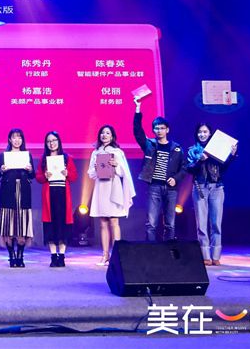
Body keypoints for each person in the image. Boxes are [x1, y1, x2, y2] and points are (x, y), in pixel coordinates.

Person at [133, 97, 186, 242]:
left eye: (162, 128)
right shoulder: (149, 144)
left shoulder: (176, 148)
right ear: (153, 130)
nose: (159, 131)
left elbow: (184, 167)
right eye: (156, 128)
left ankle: (168, 251)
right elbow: (137, 132)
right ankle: (151, 251)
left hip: (171, 189)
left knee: (170, 224)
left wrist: (176, 179)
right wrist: (138, 110)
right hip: (154, 187)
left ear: (167, 130)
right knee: (151, 223)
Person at [187, 123, 238, 266]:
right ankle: (205, 256)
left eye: (205, 132)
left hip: (217, 187)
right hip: (200, 188)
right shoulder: (193, 150)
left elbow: (223, 168)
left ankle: (216, 256)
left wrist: (231, 155)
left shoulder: (217, 148)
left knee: (216, 223)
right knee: (201, 224)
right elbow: (189, 169)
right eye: (200, 132)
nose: (202, 134)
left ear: (210, 133)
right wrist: (200, 160)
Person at [87, 125, 135, 266]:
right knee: (103, 222)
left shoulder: (117, 152)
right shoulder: (95, 152)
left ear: (112, 136)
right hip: (101, 187)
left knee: (114, 221)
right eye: (102, 133)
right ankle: (105, 255)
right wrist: (96, 168)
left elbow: (124, 172)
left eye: (107, 133)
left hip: (114, 187)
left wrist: (116, 165)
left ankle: (116, 256)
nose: (104, 135)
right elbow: (90, 173)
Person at [35, 131, 78, 267]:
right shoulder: (44, 159)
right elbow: (38, 177)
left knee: (63, 224)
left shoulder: (66, 158)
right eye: (48, 141)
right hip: (50, 195)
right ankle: (53, 256)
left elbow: (74, 176)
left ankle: (62, 256)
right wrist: (45, 175)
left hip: (63, 194)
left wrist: (67, 173)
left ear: (59, 141)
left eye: (54, 140)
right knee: (51, 225)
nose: (51, 143)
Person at [0, 128, 35, 268]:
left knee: (22, 225)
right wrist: (1, 170)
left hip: (24, 191)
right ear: (10, 140)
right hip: (8, 191)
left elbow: (32, 175)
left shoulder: (27, 155)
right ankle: (11, 255)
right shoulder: (3, 156)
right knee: (9, 224)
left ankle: (20, 255)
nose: (17, 140)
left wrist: (30, 170)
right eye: (14, 137)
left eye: (19, 137)